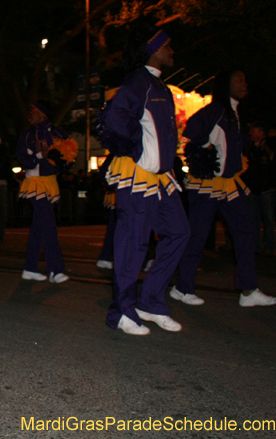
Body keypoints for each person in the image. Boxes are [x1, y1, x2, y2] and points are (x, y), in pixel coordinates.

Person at [100, 27, 189, 335]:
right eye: (168, 47)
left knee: (179, 232)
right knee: (133, 242)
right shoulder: (139, 82)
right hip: (138, 174)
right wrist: (138, 147)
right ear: (153, 50)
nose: (172, 51)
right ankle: (122, 312)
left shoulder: (157, 85)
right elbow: (113, 118)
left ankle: (150, 302)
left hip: (162, 177)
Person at [174, 70, 276, 307]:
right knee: (198, 236)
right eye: (238, 80)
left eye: (244, 79)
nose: (244, 84)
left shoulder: (233, 111)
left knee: (246, 230)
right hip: (208, 184)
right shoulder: (216, 109)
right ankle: (182, 288)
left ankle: (248, 290)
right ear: (225, 85)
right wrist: (207, 148)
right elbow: (191, 129)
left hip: (229, 184)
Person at [16, 102, 74, 283]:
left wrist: (63, 161)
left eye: (32, 112)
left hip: (51, 183)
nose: (29, 115)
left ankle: (30, 267)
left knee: (39, 227)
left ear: (42, 114)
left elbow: (70, 156)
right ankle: (55, 270)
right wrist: (40, 156)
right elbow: (22, 157)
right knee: (49, 225)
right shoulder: (26, 134)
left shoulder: (59, 133)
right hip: (35, 183)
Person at [244, 122, 276, 256]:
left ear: (261, 132)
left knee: (269, 219)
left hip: (266, 188)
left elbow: (272, 167)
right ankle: (256, 245)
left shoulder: (269, 148)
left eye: (254, 131)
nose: (251, 134)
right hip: (254, 188)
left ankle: (270, 246)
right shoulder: (250, 148)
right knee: (254, 218)